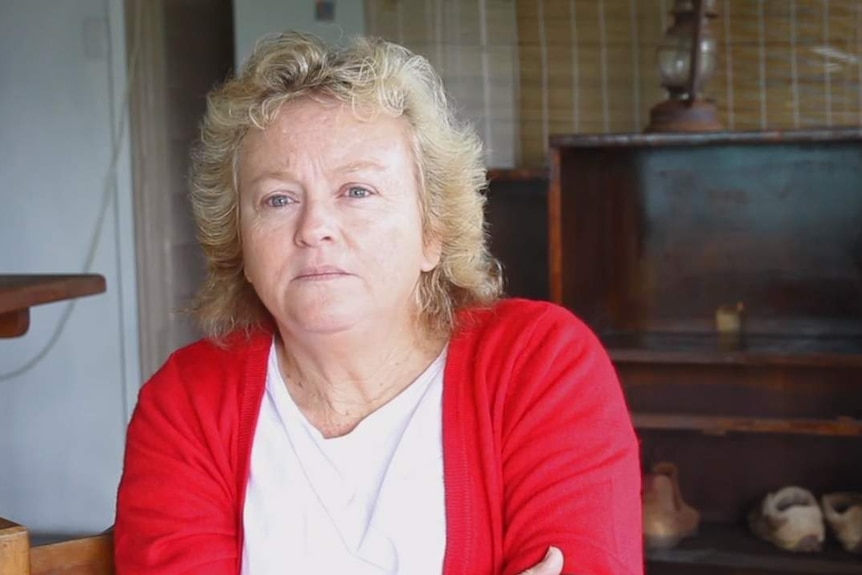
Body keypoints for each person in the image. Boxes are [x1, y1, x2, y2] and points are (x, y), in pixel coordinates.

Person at [114, 31, 642, 575]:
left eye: (357, 191)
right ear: (240, 244)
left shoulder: (539, 364)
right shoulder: (184, 404)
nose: (315, 227)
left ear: (432, 231)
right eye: (278, 199)